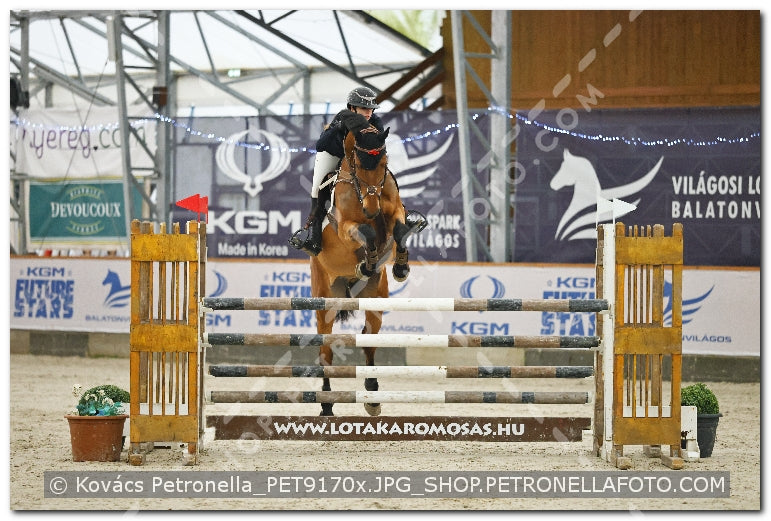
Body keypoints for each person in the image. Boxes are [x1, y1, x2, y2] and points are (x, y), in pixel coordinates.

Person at [289, 86, 385, 256]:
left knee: (380, 174)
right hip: (334, 155)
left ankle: (400, 213)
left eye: (370, 108)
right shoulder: (342, 117)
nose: (369, 112)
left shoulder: (375, 122)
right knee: (317, 188)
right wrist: (336, 128)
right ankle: (314, 237)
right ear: (352, 108)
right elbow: (320, 145)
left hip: (357, 160)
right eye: (364, 108)